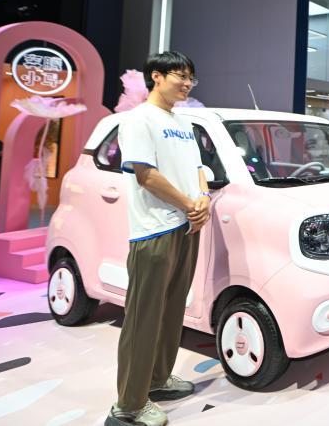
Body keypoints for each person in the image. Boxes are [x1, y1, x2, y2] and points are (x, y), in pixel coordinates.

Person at [107, 52, 211, 426]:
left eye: (190, 78)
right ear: (157, 76)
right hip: (154, 231)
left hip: (186, 227)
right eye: (180, 76)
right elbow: (145, 175)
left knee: (171, 311)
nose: (186, 83)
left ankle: (158, 379)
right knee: (143, 318)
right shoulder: (138, 119)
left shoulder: (182, 122)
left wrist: (203, 198)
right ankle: (129, 405)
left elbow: (198, 168)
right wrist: (189, 205)